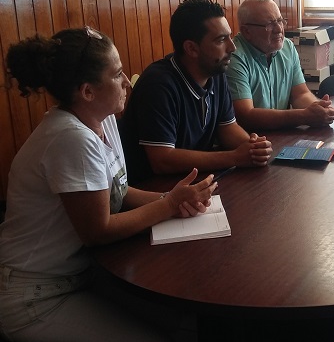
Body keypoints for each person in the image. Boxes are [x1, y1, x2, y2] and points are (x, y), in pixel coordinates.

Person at [0, 27, 216, 341]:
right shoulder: (72, 138)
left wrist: (175, 198)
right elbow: (97, 230)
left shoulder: (104, 119)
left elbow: (120, 191)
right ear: (88, 91)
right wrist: (168, 204)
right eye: (116, 74)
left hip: (84, 276)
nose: (127, 81)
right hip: (36, 297)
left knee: (184, 323)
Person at [119, 0, 273, 185]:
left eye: (230, 37)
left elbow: (227, 128)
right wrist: (235, 157)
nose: (232, 47)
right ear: (191, 48)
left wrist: (252, 147)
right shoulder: (158, 84)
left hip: (193, 181)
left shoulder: (215, 72)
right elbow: (162, 160)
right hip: (153, 189)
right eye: (221, 40)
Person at [225, 0, 334, 131]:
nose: (279, 29)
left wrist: (320, 109)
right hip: (250, 139)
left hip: (281, 134)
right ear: (246, 31)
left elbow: (300, 95)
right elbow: (246, 116)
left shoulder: (287, 47)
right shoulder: (234, 57)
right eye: (269, 24)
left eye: (280, 21)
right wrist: (303, 116)